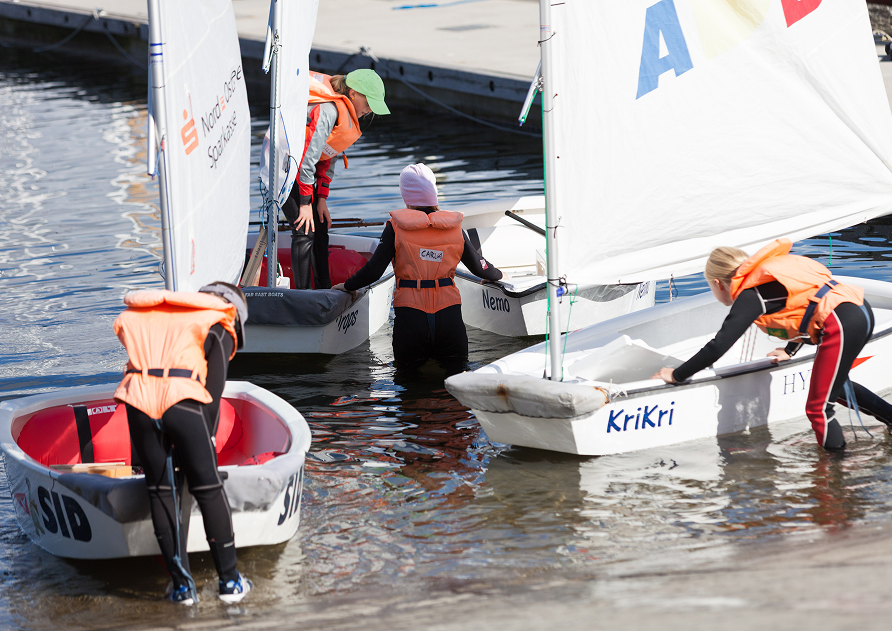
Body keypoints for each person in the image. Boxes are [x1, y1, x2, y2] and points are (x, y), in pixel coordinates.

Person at [653, 239, 892, 451]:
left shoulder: (750, 294)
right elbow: (805, 307)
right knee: (834, 387)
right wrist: (789, 350)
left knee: (818, 409)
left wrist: (677, 374)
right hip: (858, 310)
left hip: (843, 323)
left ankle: (833, 482)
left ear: (718, 283)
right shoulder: (764, 283)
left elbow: (719, 346)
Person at [113, 281, 251, 605]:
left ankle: (181, 588)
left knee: (159, 490)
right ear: (235, 311)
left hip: (138, 399)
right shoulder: (218, 322)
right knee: (208, 487)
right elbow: (212, 395)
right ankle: (230, 583)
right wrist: (202, 447)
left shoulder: (157, 313)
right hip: (183, 402)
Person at [333, 163, 503, 366]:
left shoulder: (395, 228)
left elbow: (373, 271)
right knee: (455, 380)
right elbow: (479, 266)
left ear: (406, 196)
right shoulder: (454, 228)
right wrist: (497, 275)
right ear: (434, 193)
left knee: (409, 384)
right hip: (449, 319)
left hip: (411, 319)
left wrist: (348, 285)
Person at [282, 69, 390, 289]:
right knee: (304, 230)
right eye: (368, 103)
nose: (370, 110)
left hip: (303, 173)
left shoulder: (343, 114)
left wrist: (320, 199)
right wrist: (305, 204)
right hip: (284, 170)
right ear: (353, 94)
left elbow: (327, 158)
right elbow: (308, 158)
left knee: (320, 224)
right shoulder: (329, 110)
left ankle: (324, 289)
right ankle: (303, 296)